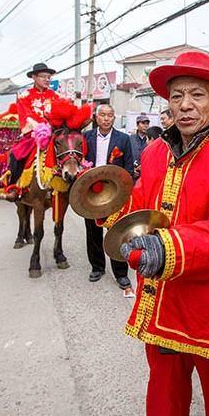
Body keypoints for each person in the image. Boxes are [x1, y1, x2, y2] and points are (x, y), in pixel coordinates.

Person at [104, 51, 209, 416]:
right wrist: (109, 203)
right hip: (163, 299)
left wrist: (168, 248)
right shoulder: (156, 151)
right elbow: (142, 204)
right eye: (177, 96)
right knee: (164, 401)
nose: (185, 105)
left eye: (196, 95)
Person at [83, 104, 135, 295]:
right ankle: (97, 267)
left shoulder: (124, 139)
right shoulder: (86, 138)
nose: (106, 119)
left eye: (110, 116)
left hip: (114, 192)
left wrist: (126, 191)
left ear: (114, 118)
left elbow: (129, 167)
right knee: (93, 231)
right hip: (90, 192)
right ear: (96, 118)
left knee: (117, 232)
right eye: (102, 115)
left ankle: (121, 273)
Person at [2, 62, 60, 201]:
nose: (47, 79)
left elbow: (59, 113)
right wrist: (41, 128)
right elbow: (26, 116)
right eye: (43, 77)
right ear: (34, 77)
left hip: (53, 132)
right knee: (16, 154)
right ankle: (14, 187)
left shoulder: (55, 96)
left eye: (49, 77)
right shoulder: (24, 96)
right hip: (33, 134)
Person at [129, 115, 150, 180]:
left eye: (147, 124)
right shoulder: (130, 139)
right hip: (131, 176)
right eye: (143, 123)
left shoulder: (151, 140)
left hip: (146, 175)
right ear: (137, 125)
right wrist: (132, 170)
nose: (146, 126)